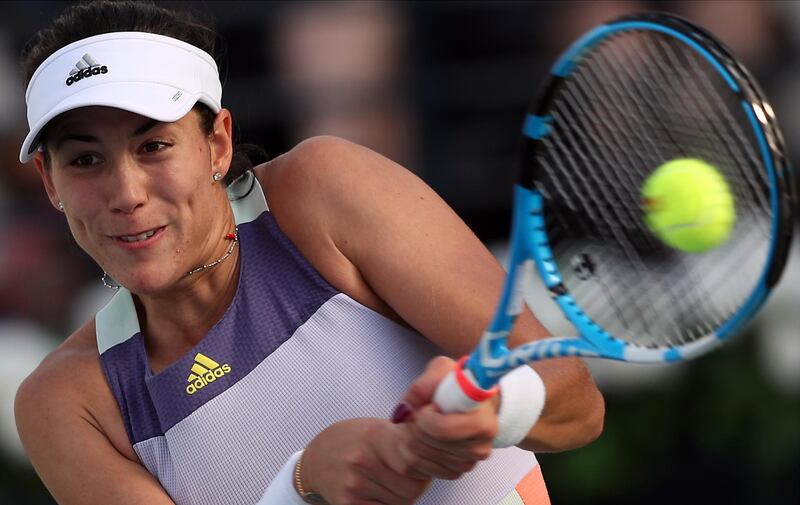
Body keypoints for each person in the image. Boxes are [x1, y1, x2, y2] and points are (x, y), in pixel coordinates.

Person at [13, 2, 604, 504]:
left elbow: (575, 402)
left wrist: (494, 409)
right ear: (50, 182)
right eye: (84, 159)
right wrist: (302, 486)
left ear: (217, 144)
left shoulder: (324, 190)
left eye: (155, 145)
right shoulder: (66, 403)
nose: (126, 195)